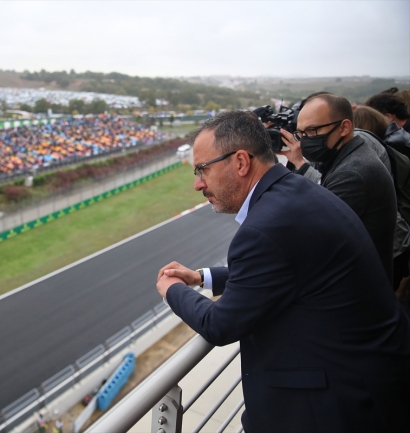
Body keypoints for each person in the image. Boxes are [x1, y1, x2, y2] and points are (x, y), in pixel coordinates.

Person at [156, 110, 410, 432]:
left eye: (202, 169)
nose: (198, 184)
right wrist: (203, 277)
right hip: (367, 381)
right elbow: (283, 269)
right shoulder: (295, 191)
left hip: (334, 406)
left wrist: (172, 290)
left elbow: (220, 325)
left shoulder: (265, 228)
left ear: (241, 162)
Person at [279, 92, 397, 284]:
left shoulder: (353, 173)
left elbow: (314, 236)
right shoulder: (346, 158)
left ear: (344, 127)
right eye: (301, 133)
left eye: (312, 130)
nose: (305, 140)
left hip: (356, 290)